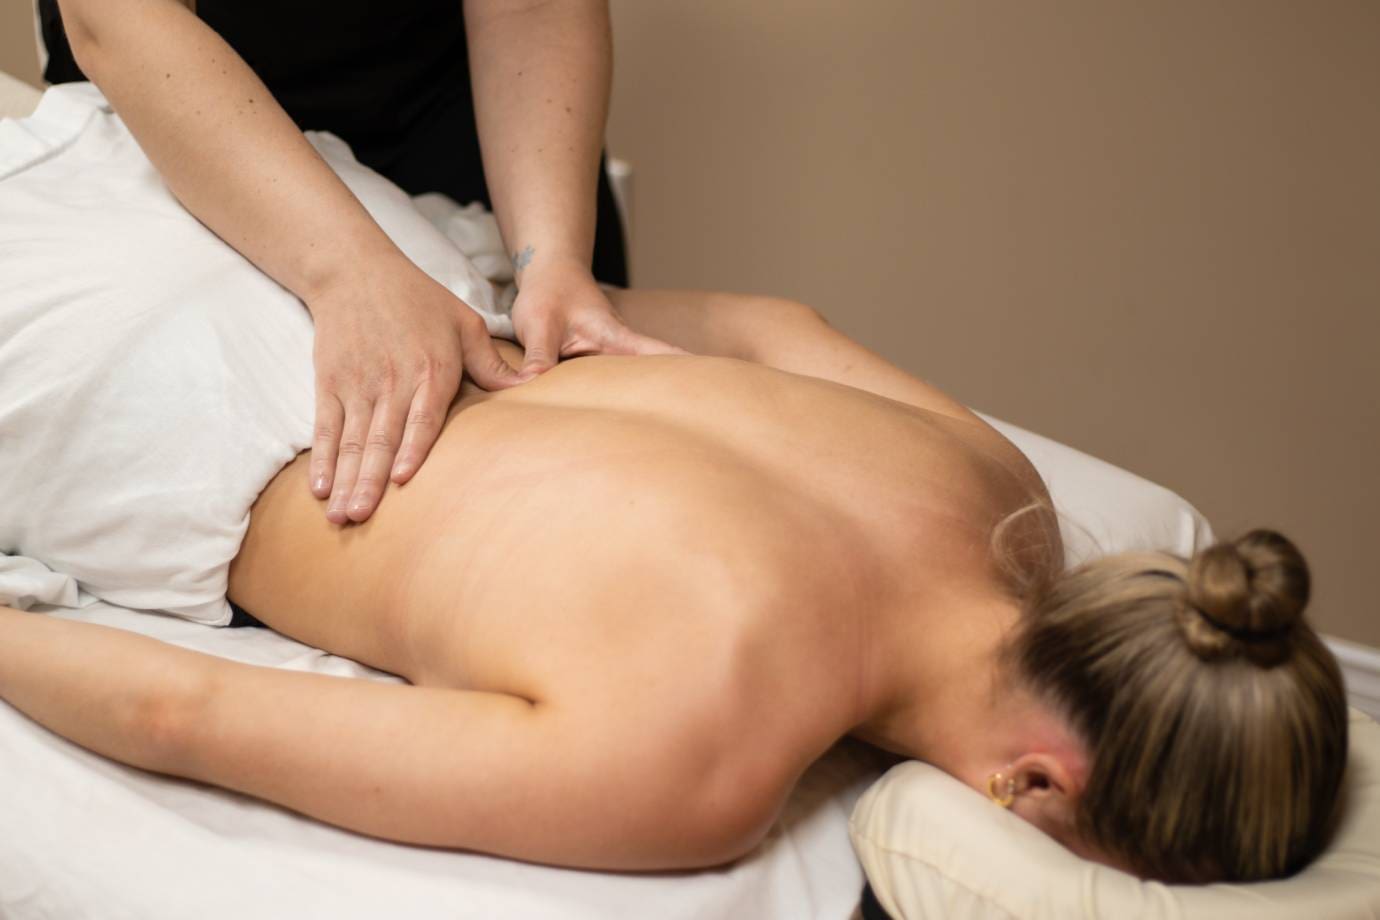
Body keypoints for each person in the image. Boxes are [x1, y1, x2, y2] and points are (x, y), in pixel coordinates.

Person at [0, 293, 1349, 881]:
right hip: (145, 401)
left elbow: (777, 330)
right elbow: (187, 721)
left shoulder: (1003, 490)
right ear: (1039, 790)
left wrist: (529, 311)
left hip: (365, 263)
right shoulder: (703, 761)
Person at [42, 0, 682, 526]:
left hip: (465, 114)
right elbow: (117, 17)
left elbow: (529, 9)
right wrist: (348, 272)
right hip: (167, 112)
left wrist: (552, 261)